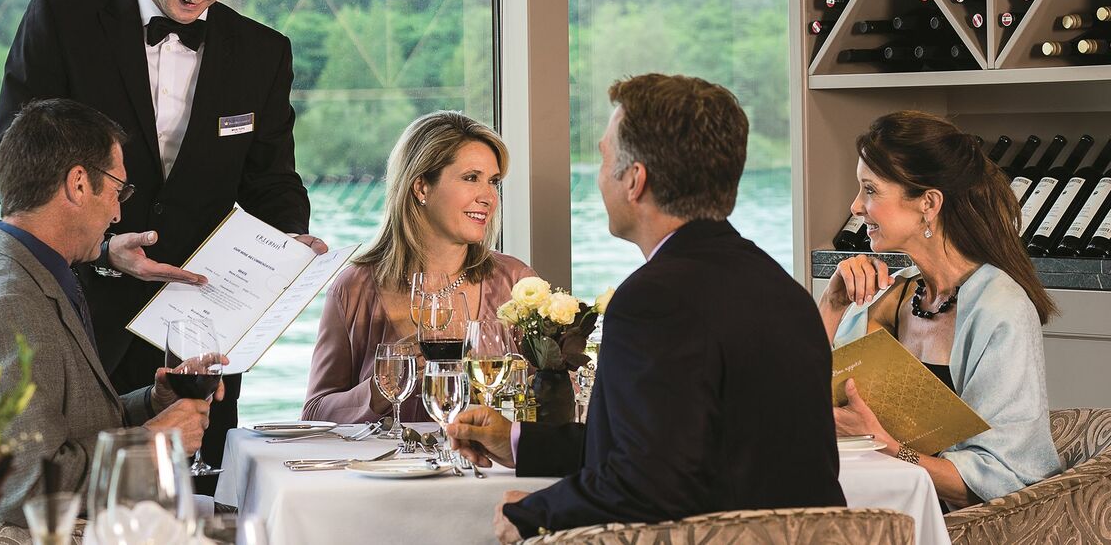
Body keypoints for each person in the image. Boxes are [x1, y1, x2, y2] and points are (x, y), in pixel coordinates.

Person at [0, 0, 323, 472]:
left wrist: (288, 247)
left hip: (205, 335)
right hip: (85, 321)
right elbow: (9, 173)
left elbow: (272, 181)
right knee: (78, 491)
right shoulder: (60, 23)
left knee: (201, 500)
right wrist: (104, 250)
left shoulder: (263, 52)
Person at [446, 74, 844, 543]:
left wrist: (536, 511)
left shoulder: (654, 300)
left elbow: (649, 483)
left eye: (604, 159)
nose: (599, 177)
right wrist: (517, 442)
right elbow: (679, 447)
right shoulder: (783, 290)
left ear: (635, 180)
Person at [0, 99, 222, 528]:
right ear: (79, 184)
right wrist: (154, 442)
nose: (118, 213)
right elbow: (27, 490)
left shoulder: (25, 271)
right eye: (118, 190)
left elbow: (66, 429)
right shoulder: (9, 306)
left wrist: (150, 405)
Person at [820, 110, 1062, 508]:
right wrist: (832, 305)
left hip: (960, 527)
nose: (856, 206)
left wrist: (884, 445)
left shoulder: (1001, 310)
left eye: (870, 190)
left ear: (928, 203)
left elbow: (1004, 482)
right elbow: (800, 400)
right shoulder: (888, 296)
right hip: (871, 508)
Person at [302, 111, 535, 422]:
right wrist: (379, 388)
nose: (489, 197)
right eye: (471, 178)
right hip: (389, 457)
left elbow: (556, 396)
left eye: (493, 181)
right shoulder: (354, 287)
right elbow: (315, 413)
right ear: (421, 187)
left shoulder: (515, 282)